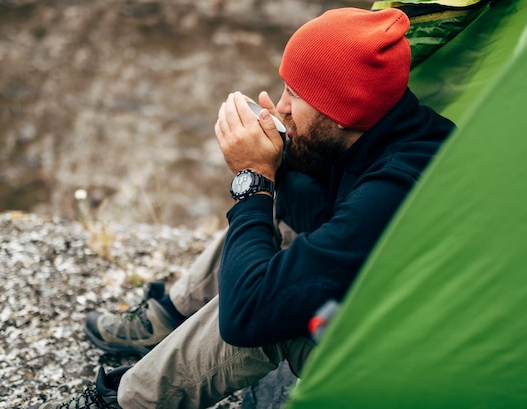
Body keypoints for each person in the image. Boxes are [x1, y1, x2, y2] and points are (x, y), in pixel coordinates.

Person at [29, 7, 455, 409]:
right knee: (279, 225)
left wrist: (254, 180)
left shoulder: (401, 185)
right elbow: (316, 200)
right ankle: (170, 316)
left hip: (416, 370)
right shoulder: (386, 133)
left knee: (268, 303)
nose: (282, 106)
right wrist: (285, 155)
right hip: (395, 309)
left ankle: (127, 402)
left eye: (296, 94)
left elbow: (248, 315)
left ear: (343, 110)